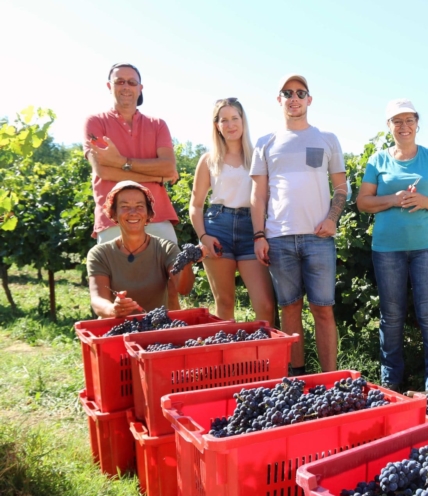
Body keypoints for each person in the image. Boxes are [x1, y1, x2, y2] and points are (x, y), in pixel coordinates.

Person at [356, 98, 428, 392]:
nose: (404, 126)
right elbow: (363, 202)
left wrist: (427, 201)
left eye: (409, 120)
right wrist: (393, 199)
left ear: (417, 123)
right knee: (391, 316)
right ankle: (391, 384)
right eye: (397, 121)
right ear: (388, 126)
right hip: (387, 249)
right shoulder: (377, 160)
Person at [250, 74, 346, 374]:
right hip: (279, 238)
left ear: (309, 100)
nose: (294, 98)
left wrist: (332, 219)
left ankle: (331, 380)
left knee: (323, 309)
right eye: (288, 93)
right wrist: (259, 235)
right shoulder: (265, 143)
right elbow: (258, 195)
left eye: (300, 93)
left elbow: (341, 187)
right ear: (279, 99)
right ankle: (297, 378)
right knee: (289, 308)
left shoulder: (327, 139)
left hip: (319, 238)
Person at [84, 63, 182, 310]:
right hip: (113, 218)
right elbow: (102, 170)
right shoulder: (96, 123)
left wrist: (122, 162)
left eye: (131, 82)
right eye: (120, 81)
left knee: (171, 289)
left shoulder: (157, 124)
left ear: (140, 88)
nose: (125, 86)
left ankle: (169, 332)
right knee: (113, 297)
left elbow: (168, 167)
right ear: (109, 86)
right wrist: (156, 176)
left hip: (158, 214)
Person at [189, 98, 275, 322]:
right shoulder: (208, 160)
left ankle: (268, 346)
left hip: (252, 229)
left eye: (235, 118)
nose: (230, 125)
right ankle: (227, 346)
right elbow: (195, 205)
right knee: (225, 303)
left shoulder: (259, 157)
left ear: (243, 121)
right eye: (224, 120)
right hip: (218, 229)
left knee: (266, 305)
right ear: (217, 125)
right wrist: (203, 237)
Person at [87, 181, 195, 317]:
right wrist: (113, 310)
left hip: (157, 325)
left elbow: (183, 289)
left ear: (149, 213)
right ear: (113, 214)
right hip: (116, 325)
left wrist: (187, 262)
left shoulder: (166, 248)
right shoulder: (100, 254)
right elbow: (98, 299)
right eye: (124, 206)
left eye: (139, 206)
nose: (133, 212)